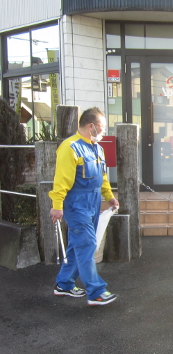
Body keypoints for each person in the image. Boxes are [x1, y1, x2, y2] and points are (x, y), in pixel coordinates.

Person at [49, 107, 119, 306]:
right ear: (92, 126)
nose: (104, 132)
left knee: (77, 245)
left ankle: (63, 284)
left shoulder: (97, 148)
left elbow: (102, 178)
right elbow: (61, 180)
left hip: (93, 203)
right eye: (102, 128)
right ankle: (96, 292)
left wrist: (109, 197)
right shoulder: (69, 147)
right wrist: (57, 206)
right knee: (87, 244)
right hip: (76, 205)